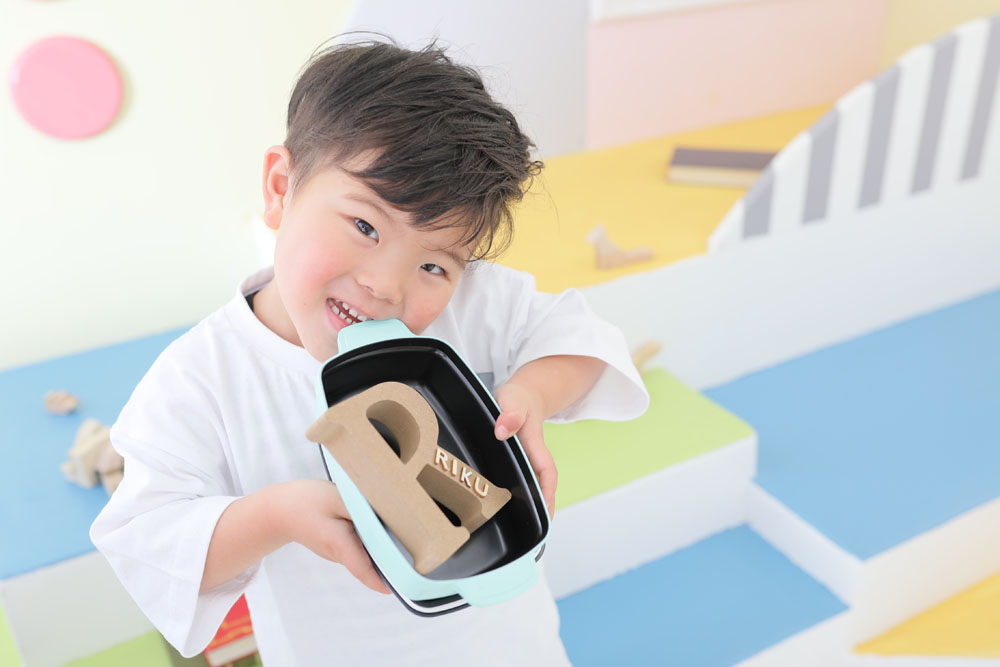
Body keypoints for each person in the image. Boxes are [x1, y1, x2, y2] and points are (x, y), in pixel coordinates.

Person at [91, 39, 648, 665]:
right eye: (365, 227)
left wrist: (533, 395)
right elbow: (148, 543)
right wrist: (277, 516)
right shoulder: (201, 378)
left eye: (434, 265)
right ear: (280, 188)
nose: (386, 286)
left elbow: (579, 337)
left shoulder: (468, 304)